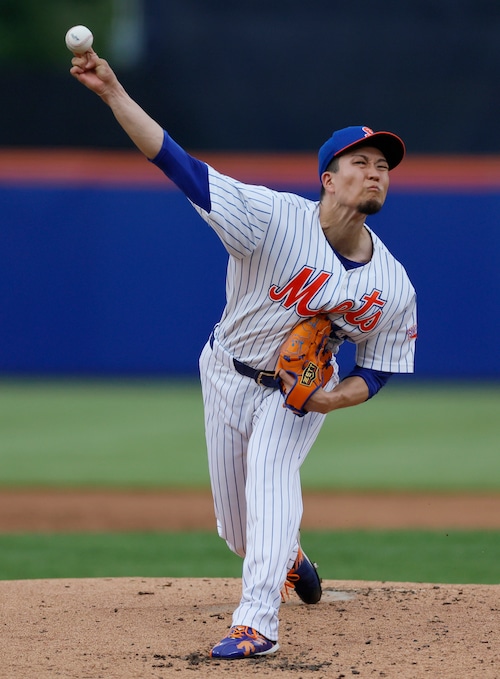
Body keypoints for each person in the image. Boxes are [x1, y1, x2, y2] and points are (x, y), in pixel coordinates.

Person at [69, 49, 417, 660]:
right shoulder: (271, 219)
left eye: (383, 165)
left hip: (296, 393)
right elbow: (178, 165)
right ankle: (289, 557)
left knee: (274, 480)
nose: (376, 172)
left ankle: (257, 624)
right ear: (328, 179)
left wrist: (333, 397)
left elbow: (382, 366)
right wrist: (113, 94)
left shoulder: (392, 285)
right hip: (225, 371)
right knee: (237, 527)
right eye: (359, 162)